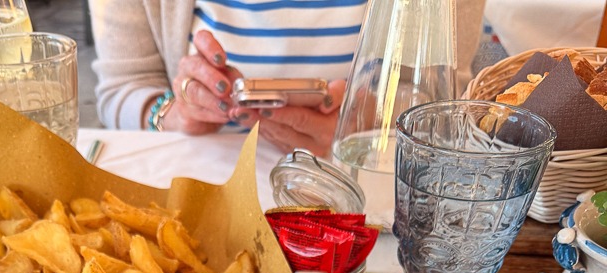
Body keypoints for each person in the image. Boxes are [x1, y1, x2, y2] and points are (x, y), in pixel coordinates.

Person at [89, 0, 487, 155]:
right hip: (197, 194)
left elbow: (446, 102)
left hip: (366, 198)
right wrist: (173, 114)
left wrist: (367, 125)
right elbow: (123, 87)